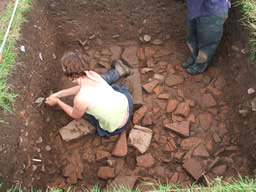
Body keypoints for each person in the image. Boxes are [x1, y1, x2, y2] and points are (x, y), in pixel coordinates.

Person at [45, 51, 133, 137]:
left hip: (117, 127)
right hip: (127, 104)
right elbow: (81, 87)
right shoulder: (92, 74)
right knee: (112, 87)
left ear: (70, 76)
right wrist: (59, 94)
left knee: (85, 113)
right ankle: (120, 78)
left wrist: (57, 101)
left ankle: (118, 73)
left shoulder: (80, 98)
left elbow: (74, 114)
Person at [182, 0, 231, 75]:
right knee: (192, 35)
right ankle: (195, 55)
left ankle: (201, 64)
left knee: (208, 41)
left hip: (213, 9)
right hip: (194, 5)